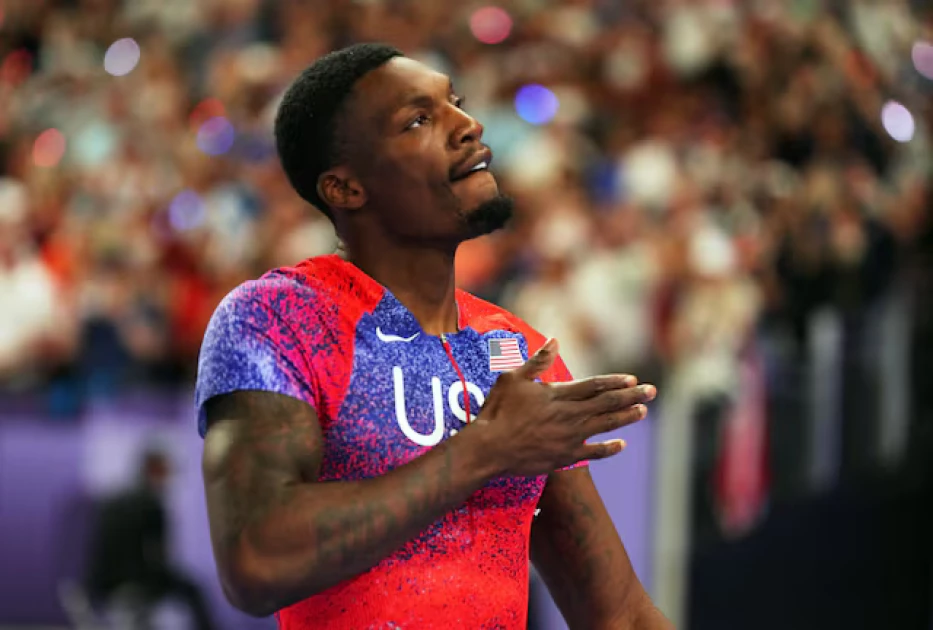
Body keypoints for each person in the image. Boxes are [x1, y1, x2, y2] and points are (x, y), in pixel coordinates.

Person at [196, 43, 672, 629]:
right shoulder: (279, 316)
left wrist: (497, 445)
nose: (469, 125)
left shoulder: (517, 350)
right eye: (419, 120)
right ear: (345, 188)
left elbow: (620, 616)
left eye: (456, 102)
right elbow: (255, 558)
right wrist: (485, 450)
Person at [84, 448, 215, 630]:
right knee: (193, 591)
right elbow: (158, 557)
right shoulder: (152, 506)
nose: (168, 479)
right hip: (139, 581)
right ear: (153, 471)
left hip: (104, 583)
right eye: (165, 472)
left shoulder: (111, 502)